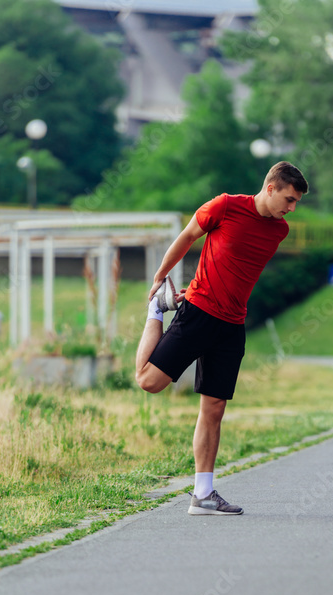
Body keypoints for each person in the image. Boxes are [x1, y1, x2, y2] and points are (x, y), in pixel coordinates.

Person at [135, 161, 309, 515]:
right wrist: (159, 279)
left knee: (213, 409)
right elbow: (186, 237)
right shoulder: (225, 206)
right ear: (271, 187)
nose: (291, 209)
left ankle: (203, 494)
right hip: (198, 312)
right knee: (149, 382)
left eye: (296, 204)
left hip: (232, 328)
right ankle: (156, 310)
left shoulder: (279, 231)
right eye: (289, 199)